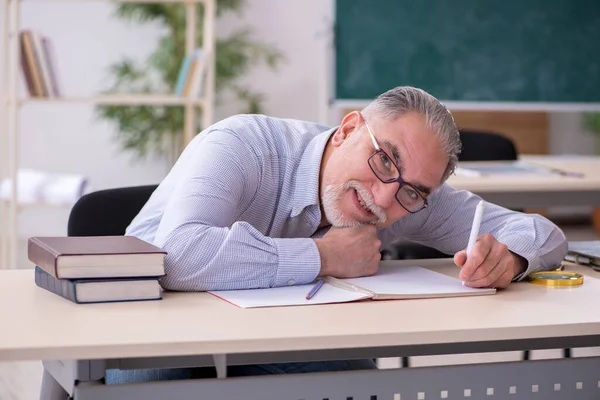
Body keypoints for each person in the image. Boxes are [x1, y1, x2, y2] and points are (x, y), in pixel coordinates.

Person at [112, 86, 567, 382]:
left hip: (271, 332)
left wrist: (511, 257)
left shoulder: (406, 197)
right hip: (157, 318)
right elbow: (175, 256)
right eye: (385, 160)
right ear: (348, 130)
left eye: (412, 190)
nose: (385, 199)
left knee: (352, 378)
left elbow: (542, 233)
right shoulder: (241, 143)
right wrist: (323, 256)